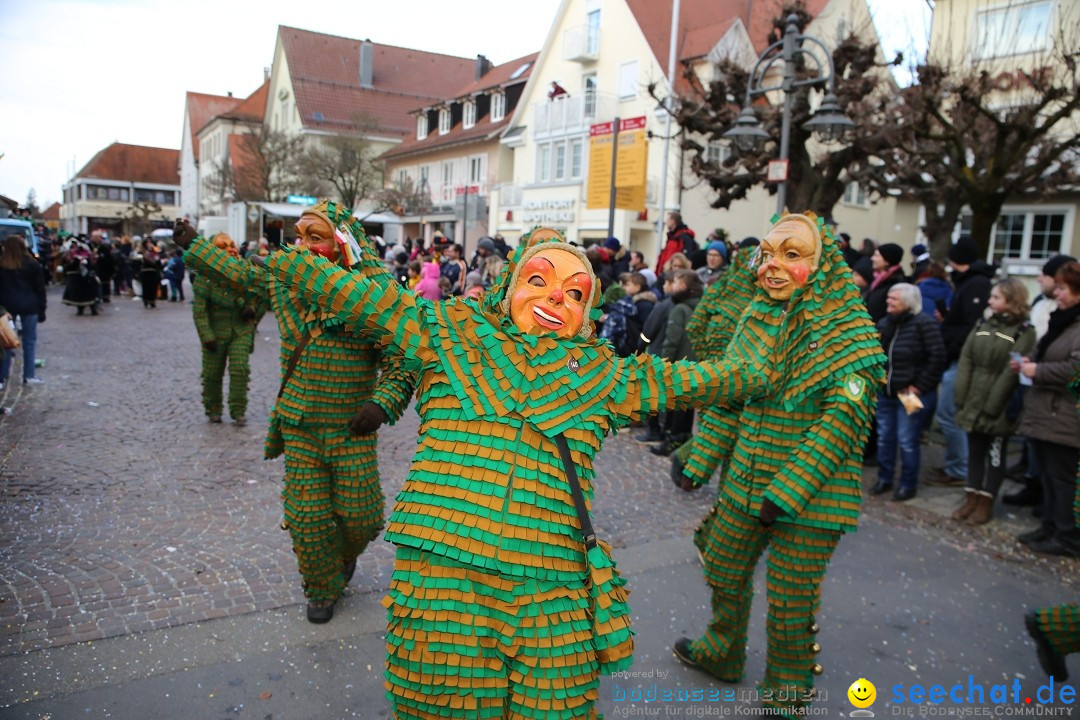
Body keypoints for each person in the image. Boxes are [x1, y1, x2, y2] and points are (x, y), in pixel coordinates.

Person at [258, 224, 767, 718]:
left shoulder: (606, 374)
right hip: (445, 586)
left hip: (551, 588)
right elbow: (364, 298)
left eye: (574, 294)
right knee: (443, 703)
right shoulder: (447, 331)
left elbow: (702, 380)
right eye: (538, 281)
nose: (553, 300)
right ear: (510, 286)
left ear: (587, 312)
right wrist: (297, 255)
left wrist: (767, 350)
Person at [671, 213, 884, 717]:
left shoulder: (851, 336)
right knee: (721, 563)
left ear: (821, 264)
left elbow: (841, 425)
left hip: (810, 500)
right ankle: (723, 650)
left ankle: (787, 693)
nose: (772, 266)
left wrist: (785, 494)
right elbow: (732, 392)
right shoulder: (758, 316)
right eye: (768, 253)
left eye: (792, 255)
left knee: (791, 600)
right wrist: (699, 459)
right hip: (746, 481)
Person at [173, 201, 418, 624]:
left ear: (342, 245)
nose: (302, 246)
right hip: (299, 422)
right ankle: (321, 585)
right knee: (306, 516)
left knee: (362, 517)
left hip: (351, 428)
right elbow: (241, 274)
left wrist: (382, 404)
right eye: (298, 236)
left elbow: (400, 359)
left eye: (315, 237)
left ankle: (341, 557)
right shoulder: (285, 281)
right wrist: (194, 245)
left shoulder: (371, 298)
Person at [950, 278, 1034, 525]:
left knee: (995, 455)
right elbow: (967, 358)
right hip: (974, 398)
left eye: (996, 297)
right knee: (975, 452)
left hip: (998, 405)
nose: (989, 301)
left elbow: (1011, 372)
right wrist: (961, 394)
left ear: (1011, 300)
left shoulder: (1024, 332)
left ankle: (986, 502)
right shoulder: (983, 323)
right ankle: (971, 497)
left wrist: (993, 405)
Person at [1014, 261, 1080, 556]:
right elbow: (1048, 352)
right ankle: (1050, 526)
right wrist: (1027, 360)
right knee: (1048, 475)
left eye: (1064, 288)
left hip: (1064, 413)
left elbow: (1075, 368)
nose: (1058, 293)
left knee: (1062, 478)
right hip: (1045, 410)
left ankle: (1067, 536)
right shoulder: (1061, 319)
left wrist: (1037, 370)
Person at [928, 237, 994, 487]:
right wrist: (947, 319)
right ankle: (956, 465)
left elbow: (970, 325)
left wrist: (951, 346)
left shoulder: (976, 284)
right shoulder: (967, 282)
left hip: (960, 359)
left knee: (948, 414)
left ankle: (959, 469)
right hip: (955, 355)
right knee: (949, 414)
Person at [870, 283, 946, 502]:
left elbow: (937, 358)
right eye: (888, 298)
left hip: (910, 394)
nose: (888, 302)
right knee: (885, 437)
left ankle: (907, 484)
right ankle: (884, 478)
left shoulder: (925, 324)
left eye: (894, 299)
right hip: (886, 393)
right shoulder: (885, 324)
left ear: (907, 302)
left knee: (907, 439)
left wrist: (920, 386)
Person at [192, 234, 267, 425]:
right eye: (223, 247)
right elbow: (200, 311)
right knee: (211, 374)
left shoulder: (245, 272)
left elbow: (261, 297)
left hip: (240, 330)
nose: (230, 250)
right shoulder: (205, 276)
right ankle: (213, 408)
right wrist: (206, 335)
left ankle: (238, 409)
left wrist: (253, 315)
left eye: (231, 246)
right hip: (215, 332)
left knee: (240, 369)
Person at [651, 269, 704, 456]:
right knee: (687, 406)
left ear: (682, 286)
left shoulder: (679, 309)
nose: (671, 286)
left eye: (675, 282)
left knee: (674, 405)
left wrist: (664, 364)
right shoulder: (700, 306)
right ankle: (683, 438)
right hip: (694, 364)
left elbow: (672, 340)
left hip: (678, 365)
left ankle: (671, 441)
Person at [0, 235, 46, 389]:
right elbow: (40, 289)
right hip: (29, 305)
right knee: (29, 342)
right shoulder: (32, 264)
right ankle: (29, 375)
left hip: (8, 307)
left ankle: (3, 376)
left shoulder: (2, 265)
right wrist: (42, 309)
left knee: (6, 341)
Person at [864, 243, 906, 323]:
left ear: (887, 261)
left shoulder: (896, 285)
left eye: (876, 255)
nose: (872, 258)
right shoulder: (878, 279)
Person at [61, 240, 100, 315]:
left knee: (90, 294)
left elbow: (92, 264)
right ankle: (80, 309)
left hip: (87, 278)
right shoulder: (69, 254)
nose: (75, 247)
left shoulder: (87, 252)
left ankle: (93, 309)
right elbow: (67, 265)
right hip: (76, 278)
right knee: (78, 295)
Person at [134, 239, 163, 309]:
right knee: (146, 287)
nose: (149, 244)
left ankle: (152, 301)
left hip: (153, 272)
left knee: (153, 287)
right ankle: (146, 301)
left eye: (150, 242)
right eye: (148, 243)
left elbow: (158, 260)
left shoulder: (155, 251)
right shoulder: (143, 252)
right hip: (146, 272)